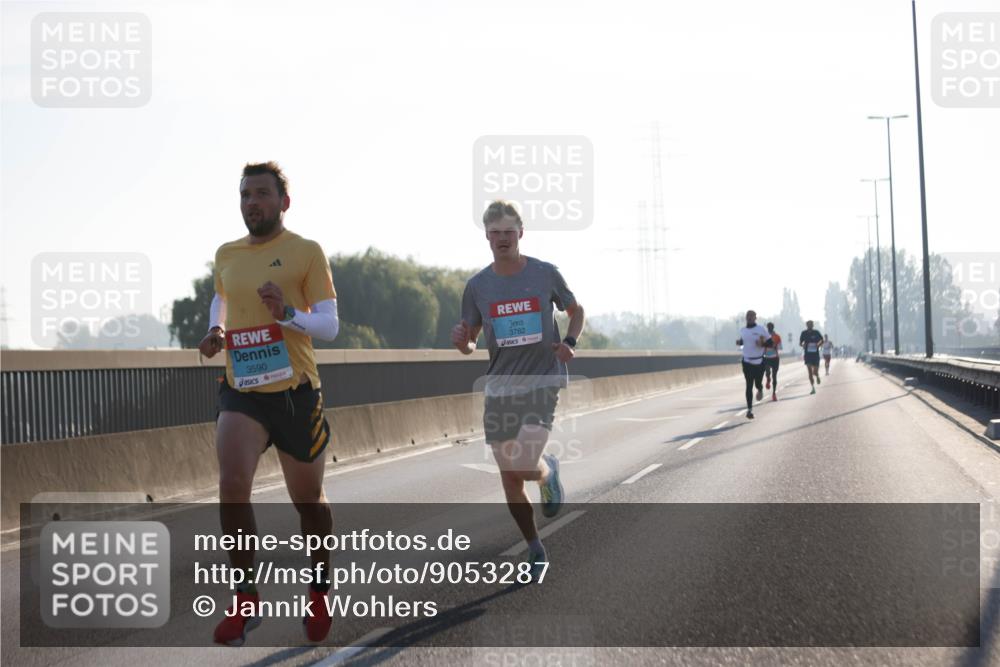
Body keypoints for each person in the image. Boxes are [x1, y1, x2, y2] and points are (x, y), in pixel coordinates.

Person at [199, 162, 340, 646]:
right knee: (232, 485)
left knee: (309, 503)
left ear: (284, 201)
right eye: (244, 195)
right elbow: (222, 297)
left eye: (261, 193)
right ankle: (245, 598)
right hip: (241, 387)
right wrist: (217, 329)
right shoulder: (227, 253)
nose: (251, 202)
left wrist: (289, 314)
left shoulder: (305, 251)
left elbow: (329, 325)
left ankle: (319, 588)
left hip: (296, 391)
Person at [452, 200, 584, 581]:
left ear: (520, 233)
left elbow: (576, 310)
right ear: (487, 236)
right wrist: (462, 341)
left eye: (509, 231)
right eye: (495, 233)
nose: (502, 239)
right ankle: (535, 547)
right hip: (500, 388)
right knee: (509, 478)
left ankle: (547, 471)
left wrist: (571, 341)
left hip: (543, 379)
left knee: (524, 465)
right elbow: (471, 342)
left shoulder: (545, 274)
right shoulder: (477, 286)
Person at [737, 310, 772, 419]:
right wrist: (740, 342)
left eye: (752, 316)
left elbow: (771, 343)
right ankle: (749, 410)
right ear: (746, 318)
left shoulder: (761, 329)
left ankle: (760, 388)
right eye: (748, 316)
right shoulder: (742, 330)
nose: (750, 318)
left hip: (759, 361)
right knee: (749, 385)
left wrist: (762, 344)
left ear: (755, 318)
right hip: (747, 361)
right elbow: (744, 341)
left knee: (757, 383)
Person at [799, 320, 824, 394]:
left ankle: (817, 376)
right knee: (809, 372)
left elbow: (822, 340)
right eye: (808, 325)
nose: (810, 326)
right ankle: (813, 388)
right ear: (806, 325)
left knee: (814, 372)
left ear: (813, 325)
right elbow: (800, 343)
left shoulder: (816, 332)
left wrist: (818, 345)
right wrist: (803, 345)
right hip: (807, 354)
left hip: (815, 354)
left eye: (811, 325)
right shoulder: (804, 333)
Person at [763, 322, 782, 401]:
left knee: (774, 376)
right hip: (766, 357)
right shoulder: (764, 336)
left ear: (773, 327)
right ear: (767, 327)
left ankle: (774, 393)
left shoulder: (777, 336)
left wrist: (775, 346)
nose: (770, 328)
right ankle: (768, 379)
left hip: (775, 358)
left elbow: (781, 347)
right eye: (769, 327)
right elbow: (761, 345)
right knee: (767, 372)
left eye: (771, 327)